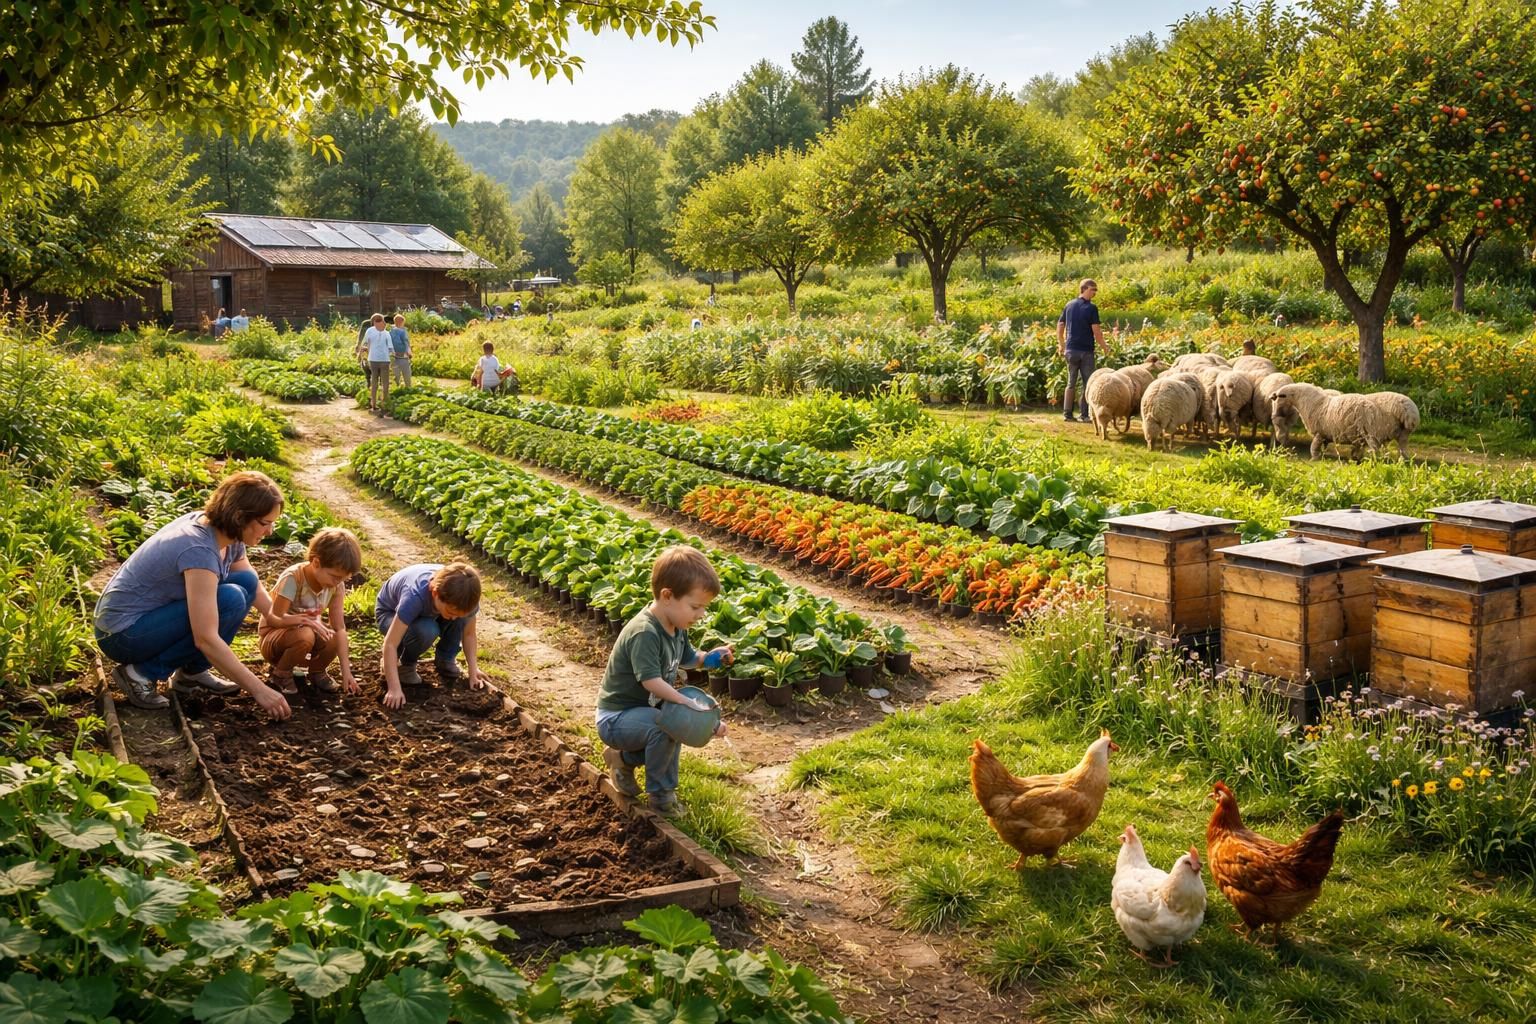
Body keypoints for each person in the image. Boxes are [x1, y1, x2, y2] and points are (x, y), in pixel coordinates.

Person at [94, 472, 293, 720]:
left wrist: (281, 619)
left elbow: (249, 579)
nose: (270, 530)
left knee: (245, 584)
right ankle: (141, 673)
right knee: (229, 599)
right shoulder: (199, 549)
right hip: (121, 634)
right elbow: (205, 638)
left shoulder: (226, 532)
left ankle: (192, 673)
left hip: (148, 620)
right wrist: (259, 690)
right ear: (240, 516)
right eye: (265, 523)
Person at [596, 545, 732, 816]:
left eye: (703, 607)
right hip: (615, 717)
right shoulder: (645, 632)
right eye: (695, 606)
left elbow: (690, 658)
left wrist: (710, 658)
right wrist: (684, 702)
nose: (701, 614)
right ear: (667, 596)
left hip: (641, 715)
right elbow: (651, 682)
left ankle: (621, 760)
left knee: (672, 726)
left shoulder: (676, 627)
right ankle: (661, 796)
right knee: (665, 726)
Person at [258, 527, 363, 696]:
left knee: (335, 636)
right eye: (335, 576)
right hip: (275, 641)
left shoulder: (336, 586)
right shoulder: (294, 578)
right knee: (305, 634)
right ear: (316, 563)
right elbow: (274, 619)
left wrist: (346, 671)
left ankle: (317, 672)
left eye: (344, 578)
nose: (338, 582)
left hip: (307, 636)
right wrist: (305, 620)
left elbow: (340, 628)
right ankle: (280, 674)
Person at [375, 562, 487, 709]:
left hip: (430, 613)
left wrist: (473, 671)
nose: (453, 617)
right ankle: (406, 664)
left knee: (461, 619)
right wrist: (394, 688)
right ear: (435, 593)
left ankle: (446, 659)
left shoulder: (465, 598)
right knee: (426, 630)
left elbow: (469, 634)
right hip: (389, 613)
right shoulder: (414, 596)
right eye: (451, 612)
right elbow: (390, 643)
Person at [1057, 278, 1112, 422]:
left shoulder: (1069, 305)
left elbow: (1060, 325)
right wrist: (1104, 346)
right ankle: (1084, 414)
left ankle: (1067, 414)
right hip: (1086, 351)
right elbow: (1097, 331)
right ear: (1084, 289)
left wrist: (1062, 344)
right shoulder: (1091, 308)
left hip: (1070, 350)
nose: (1095, 293)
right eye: (1093, 290)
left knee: (1071, 382)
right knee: (1088, 383)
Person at [363, 313, 393, 415]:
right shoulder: (386, 333)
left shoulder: (369, 331)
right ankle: (384, 406)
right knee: (385, 383)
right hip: (384, 360)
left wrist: (364, 352)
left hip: (373, 359)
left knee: (374, 382)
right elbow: (390, 348)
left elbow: (365, 344)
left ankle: (374, 405)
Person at [389, 314, 412, 388]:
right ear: (401, 322)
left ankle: (396, 388)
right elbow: (406, 343)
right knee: (406, 374)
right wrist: (409, 353)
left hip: (393, 356)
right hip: (403, 356)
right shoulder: (402, 332)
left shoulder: (390, 331)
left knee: (396, 374)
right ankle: (408, 388)